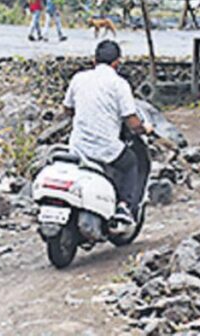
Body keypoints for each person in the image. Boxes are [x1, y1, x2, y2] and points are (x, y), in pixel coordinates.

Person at [62, 40, 153, 227]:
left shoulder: (78, 78)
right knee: (130, 163)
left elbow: (67, 109)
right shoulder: (119, 84)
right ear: (117, 63)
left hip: (77, 145)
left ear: (94, 61)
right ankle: (124, 206)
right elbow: (131, 120)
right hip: (105, 149)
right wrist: (145, 129)